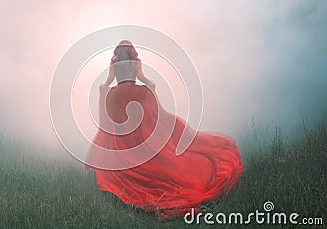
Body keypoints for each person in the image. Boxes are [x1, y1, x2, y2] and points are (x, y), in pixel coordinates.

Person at [86, 40, 244, 219]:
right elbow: (156, 117)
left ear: (114, 68)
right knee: (183, 152)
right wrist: (142, 76)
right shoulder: (145, 91)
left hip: (124, 154)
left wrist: (109, 79)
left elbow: (106, 127)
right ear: (135, 66)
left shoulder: (108, 93)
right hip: (143, 148)